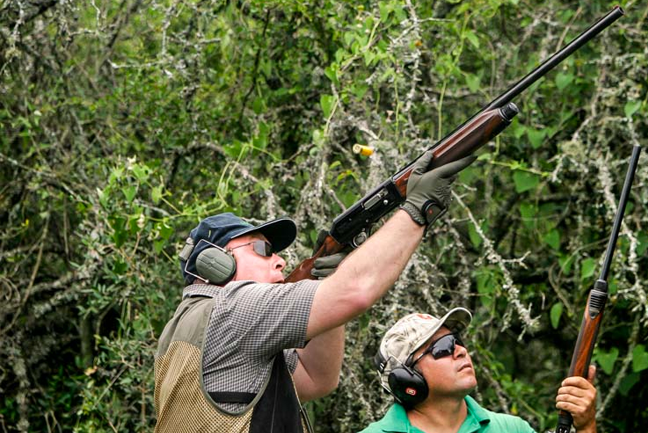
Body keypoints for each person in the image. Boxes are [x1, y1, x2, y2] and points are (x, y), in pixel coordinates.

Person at [153, 151, 475, 433]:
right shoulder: (233, 309)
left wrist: (325, 281)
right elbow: (356, 292)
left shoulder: (185, 327)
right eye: (263, 249)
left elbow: (317, 378)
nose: (280, 261)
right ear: (215, 262)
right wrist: (419, 208)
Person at [360, 308, 598, 433]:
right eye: (443, 348)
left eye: (457, 341)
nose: (461, 351)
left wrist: (586, 426)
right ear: (407, 379)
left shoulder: (512, 429)